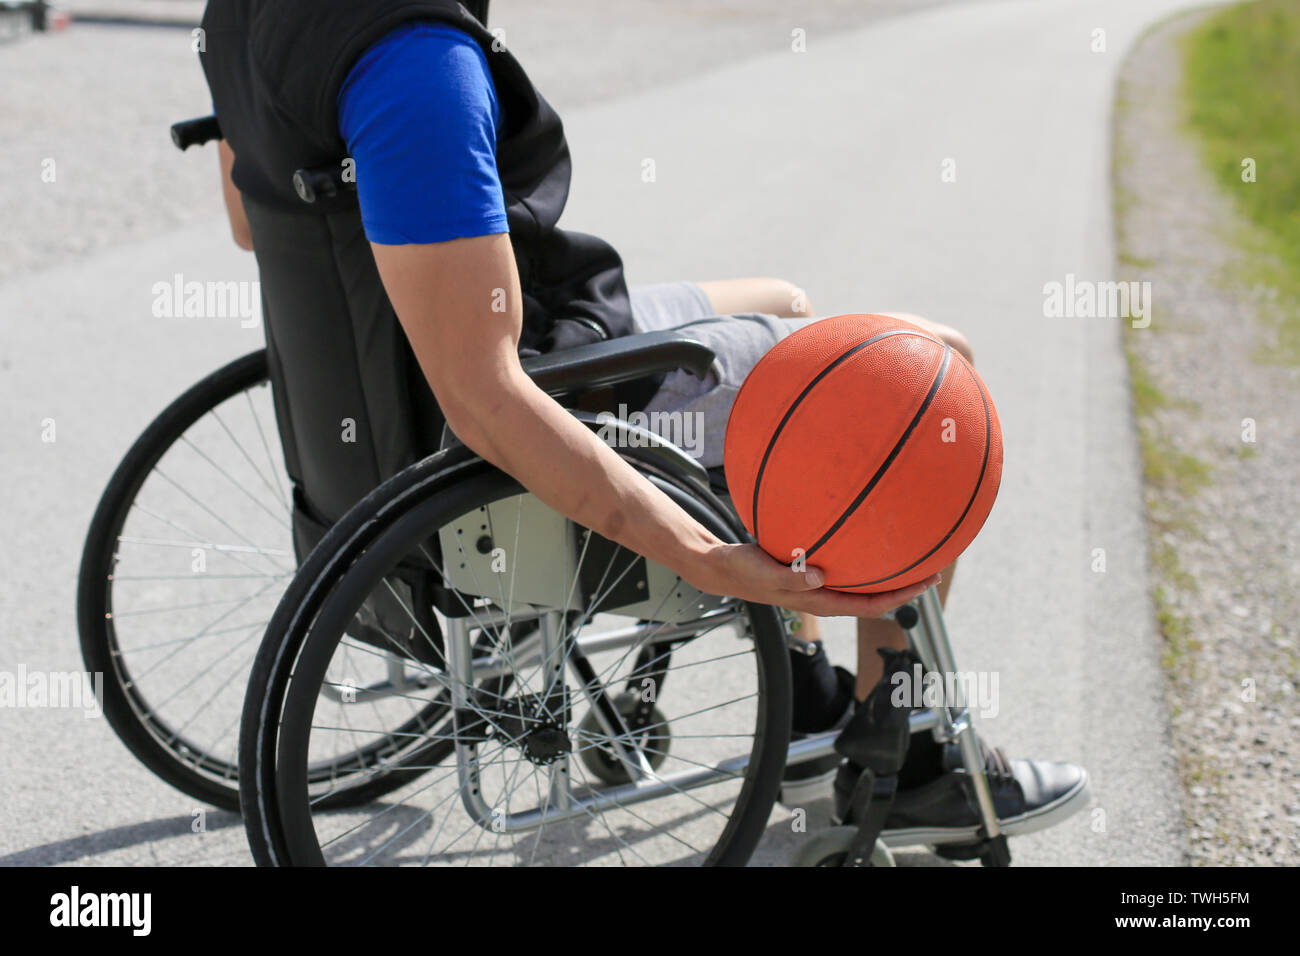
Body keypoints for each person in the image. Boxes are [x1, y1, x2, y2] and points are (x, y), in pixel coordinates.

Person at [202, 0, 1087, 843]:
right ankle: (917, 755)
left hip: (438, 370)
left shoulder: (241, 18)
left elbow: (251, 223)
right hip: (552, 385)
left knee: (786, 303)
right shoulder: (416, 65)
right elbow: (485, 398)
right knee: (935, 368)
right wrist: (705, 556)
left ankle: (810, 702)